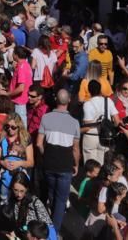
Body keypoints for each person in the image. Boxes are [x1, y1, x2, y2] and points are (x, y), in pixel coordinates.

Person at [37, 89, 80, 231]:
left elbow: (38, 143)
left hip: (49, 162)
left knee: (52, 194)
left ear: (56, 100)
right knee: (61, 199)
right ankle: (54, 230)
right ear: (69, 101)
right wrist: (77, 165)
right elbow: (75, 149)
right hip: (65, 164)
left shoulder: (46, 118)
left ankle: (50, 221)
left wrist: (45, 154)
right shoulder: (74, 123)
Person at [2, 172, 55, 240]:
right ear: (12, 188)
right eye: (15, 190)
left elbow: (48, 227)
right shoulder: (12, 201)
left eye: (22, 191)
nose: (19, 195)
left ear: (27, 189)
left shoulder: (35, 203)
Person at [0, 113, 34, 200]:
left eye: (13, 127)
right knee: (4, 202)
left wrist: (19, 163)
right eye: (7, 126)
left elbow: (31, 163)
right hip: (5, 178)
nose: (10, 129)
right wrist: (2, 162)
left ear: (19, 126)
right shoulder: (1, 137)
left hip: (20, 179)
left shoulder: (26, 138)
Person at [80, 81, 119, 166]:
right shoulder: (108, 101)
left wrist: (78, 131)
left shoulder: (87, 104)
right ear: (100, 89)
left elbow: (87, 125)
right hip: (105, 136)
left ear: (89, 91)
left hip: (91, 136)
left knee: (90, 167)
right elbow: (117, 121)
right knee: (101, 166)